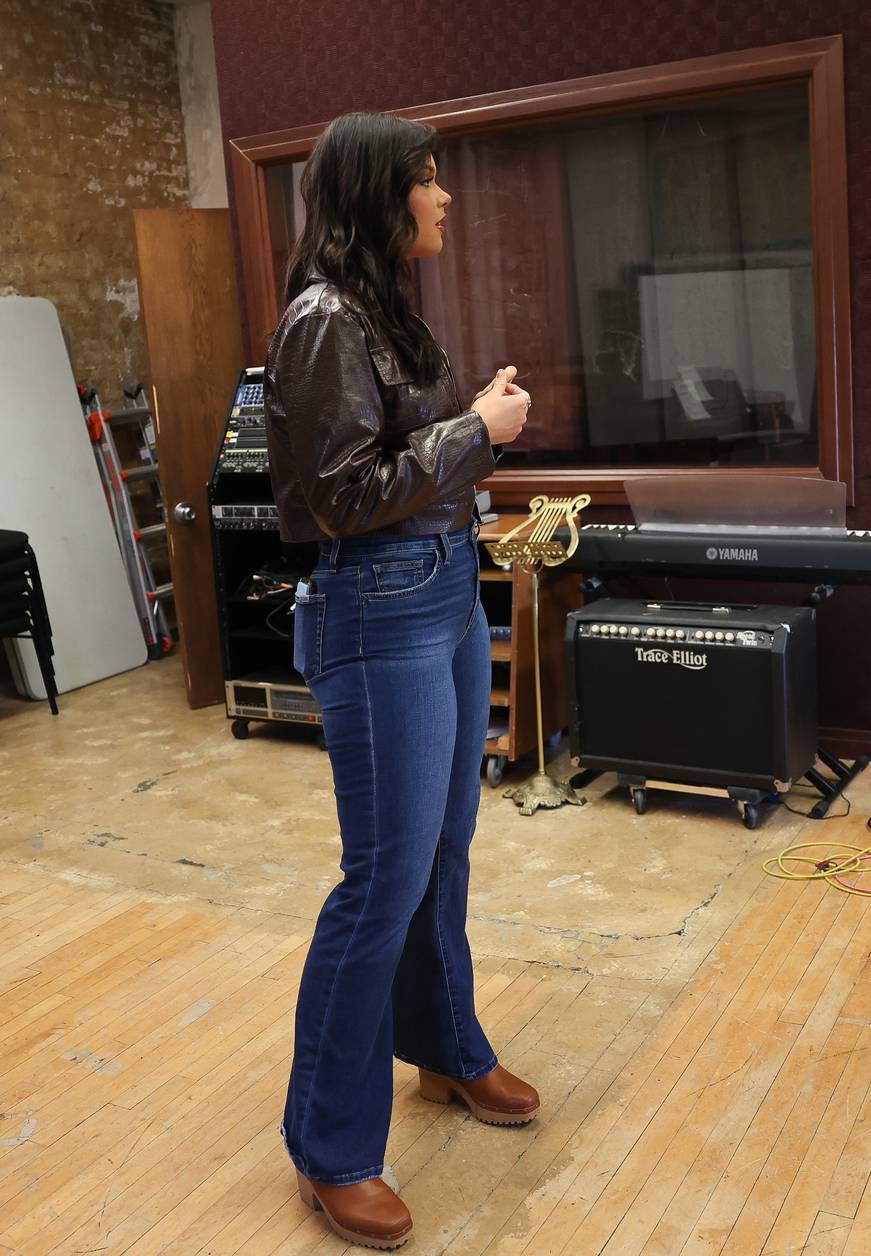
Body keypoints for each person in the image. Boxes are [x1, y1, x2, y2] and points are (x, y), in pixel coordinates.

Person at [265, 111, 535, 1248]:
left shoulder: (377, 307)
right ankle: (330, 1146)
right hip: (378, 606)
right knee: (381, 878)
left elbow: (394, 455)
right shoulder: (322, 318)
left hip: (436, 589)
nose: (445, 197)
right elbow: (336, 493)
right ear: (381, 193)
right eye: (428, 180)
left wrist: (471, 424)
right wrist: (477, 427)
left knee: (443, 848)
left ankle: (444, 1046)